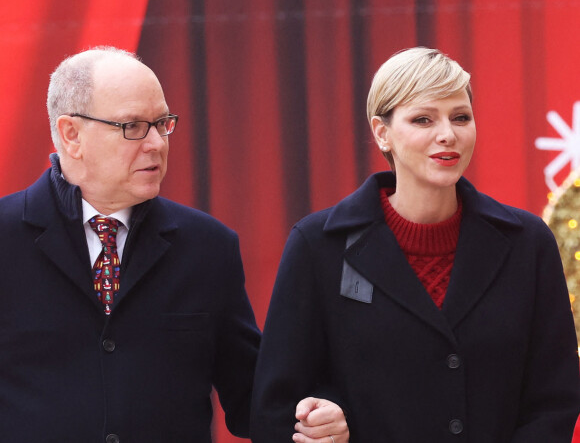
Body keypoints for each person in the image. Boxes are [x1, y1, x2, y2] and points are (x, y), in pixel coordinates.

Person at [0, 46, 348, 442]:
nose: (156, 144)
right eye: (133, 126)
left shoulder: (207, 247)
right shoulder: (6, 238)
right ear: (71, 134)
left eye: (162, 123)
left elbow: (256, 397)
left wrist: (317, 415)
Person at [251, 47, 580, 442]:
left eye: (461, 117)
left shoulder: (528, 243)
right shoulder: (317, 245)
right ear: (381, 132)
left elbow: (555, 400)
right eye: (423, 119)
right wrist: (321, 420)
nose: (448, 134)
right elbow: (275, 410)